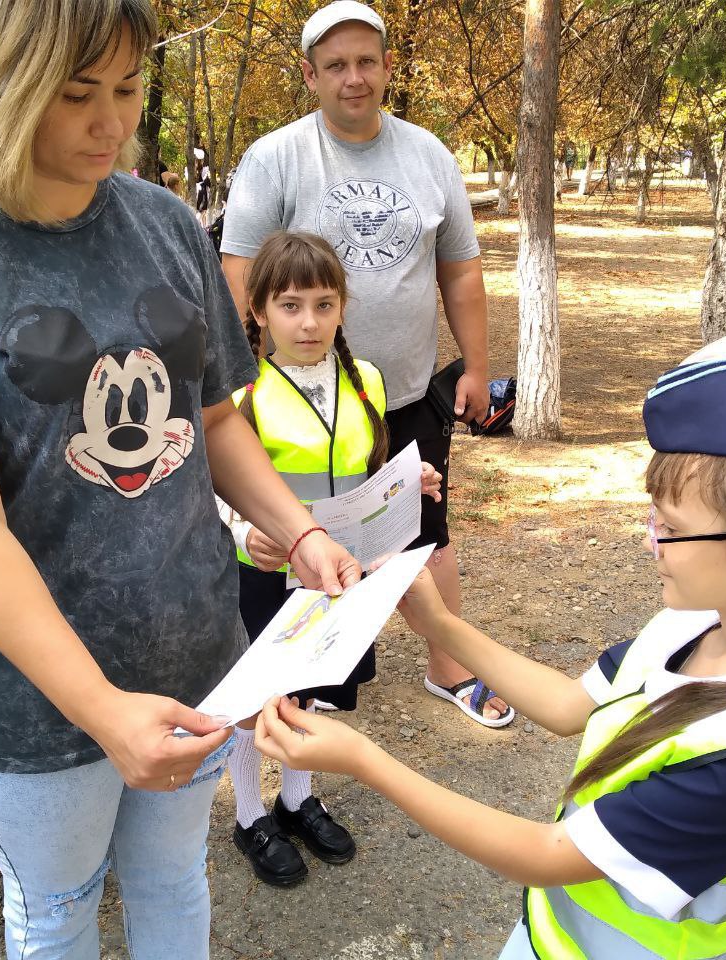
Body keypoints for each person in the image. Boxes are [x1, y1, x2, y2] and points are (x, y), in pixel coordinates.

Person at [0, 2, 358, 958]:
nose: (111, 123)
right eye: (75, 95)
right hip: (32, 699)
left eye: (126, 88)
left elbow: (209, 419)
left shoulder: (163, 223)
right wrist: (102, 707)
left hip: (193, 651)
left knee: (172, 882)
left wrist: (302, 528)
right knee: (59, 911)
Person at [255, 355, 726, 960]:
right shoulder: (696, 624)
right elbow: (567, 706)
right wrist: (439, 624)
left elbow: (549, 857)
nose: (650, 543)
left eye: (668, 530)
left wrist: (363, 759)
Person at [222, 0, 511, 729]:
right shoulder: (277, 157)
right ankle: (301, 677)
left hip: (401, 391)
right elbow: (237, 272)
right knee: (296, 538)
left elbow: (462, 271)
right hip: (294, 397)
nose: (355, 79)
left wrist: (474, 366)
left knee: (424, 532)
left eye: (367, 62)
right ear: (311, 75)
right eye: (337, 66)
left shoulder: (429, 156)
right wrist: (238, 377)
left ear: (387, 67)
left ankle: (450, 669)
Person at [218, 232, 442, 887]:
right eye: (290, 305)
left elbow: (364, 468)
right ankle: (251, 814)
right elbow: (213, 485)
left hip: (340, 576)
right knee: (257, 700)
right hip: (263, 573)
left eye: (323, 303)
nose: (309, 321)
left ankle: (296, 799)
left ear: (343, 306)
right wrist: (241, 531)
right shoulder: (241, 393)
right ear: (258, 311)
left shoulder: (364, 379)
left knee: (311, 694)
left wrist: (409, 479)